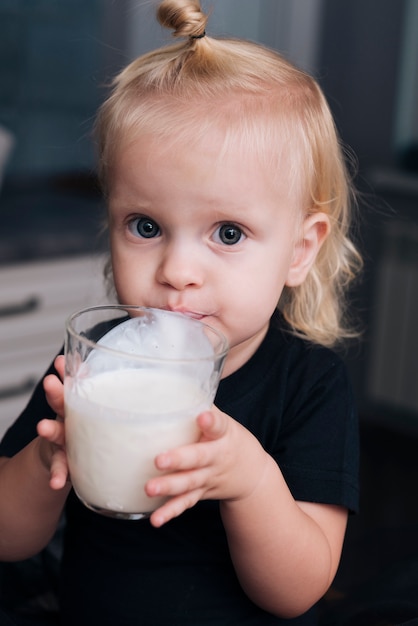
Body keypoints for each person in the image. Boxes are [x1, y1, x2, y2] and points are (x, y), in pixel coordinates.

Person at [0, 1, 363, 624]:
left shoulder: (307, 385)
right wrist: (44, 460)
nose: (176, 271)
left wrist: (250, 483)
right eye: (146, 226)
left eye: (227, 233)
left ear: (299, 251)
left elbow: (297, 589)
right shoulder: (98, 363)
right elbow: (9, 539)